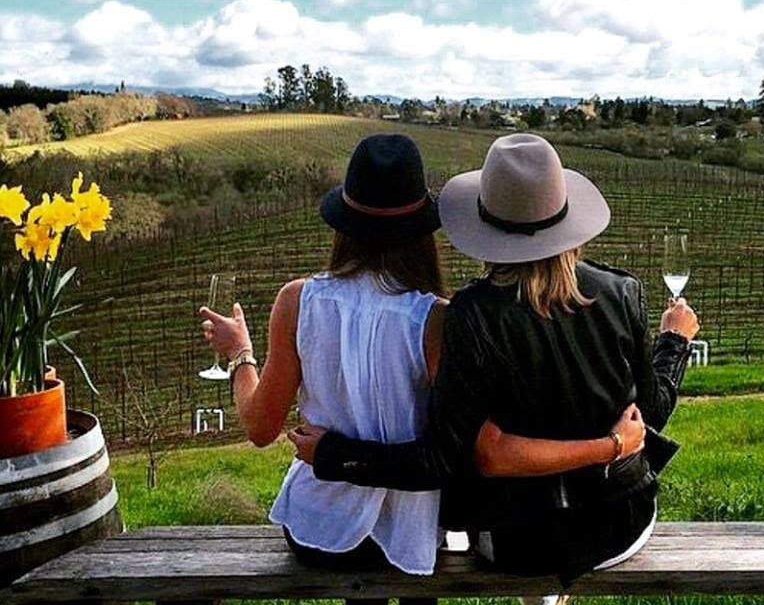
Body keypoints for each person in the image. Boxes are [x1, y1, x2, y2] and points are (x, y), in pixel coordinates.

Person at [199, 134, 650, 605]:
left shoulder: (297, 301)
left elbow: (259, 426)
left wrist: (240, 355)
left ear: (342, 223)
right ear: (422, 228)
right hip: (411, 531)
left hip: (320, 527)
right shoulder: (436, 318)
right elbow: (456, 450)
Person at [290, 133, 699, 585]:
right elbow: (652, 412)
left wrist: (331, 455)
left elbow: (443, 459)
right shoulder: (623, 294)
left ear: (485, 224)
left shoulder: (471, 317)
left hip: (516, 542)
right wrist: (675, 341)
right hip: (621, 526)